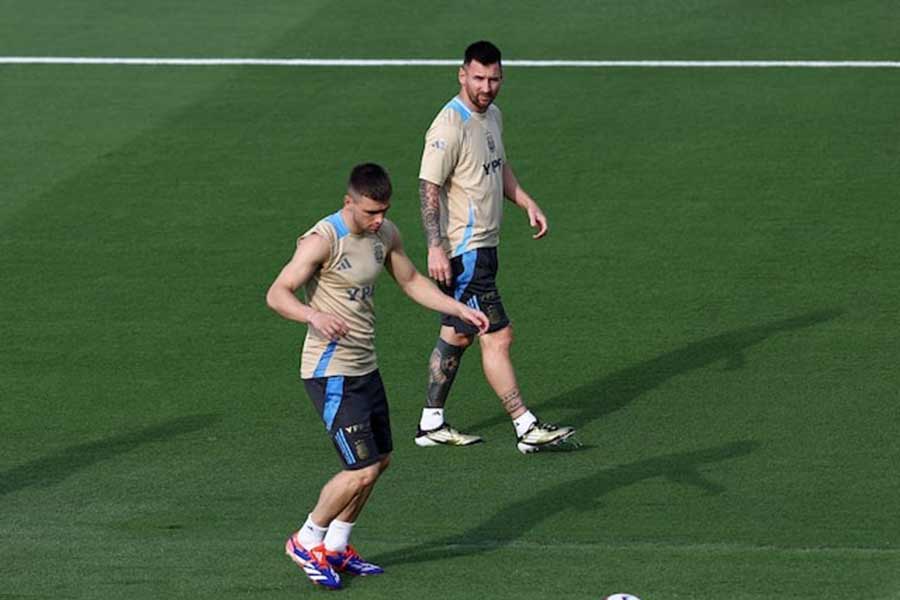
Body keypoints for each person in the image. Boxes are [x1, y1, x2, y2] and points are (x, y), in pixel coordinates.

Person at [266, 163, 488, 589]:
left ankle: (336, 546)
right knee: (360, 468)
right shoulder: (323, 240)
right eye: (370, 212)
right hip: (330, 370)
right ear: (349, 202)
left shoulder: (385, 235)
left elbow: (410, 280)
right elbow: (277, 293)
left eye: (384, 210)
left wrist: (457, 308)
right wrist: (313, 314)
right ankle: (305, 538)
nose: (379, 219)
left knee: (380, 461)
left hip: (365, 365)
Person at [415, 40, 576, 454]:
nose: (486, 87)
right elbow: (429, 187)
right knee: (497, 335)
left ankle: (430, 422)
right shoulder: (448, 126)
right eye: (478, 78)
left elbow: (497, 165)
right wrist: (435, 246)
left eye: (494, 79)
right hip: (464, 251)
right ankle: (525, 426)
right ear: (462, 75)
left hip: (485, 246)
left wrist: (526, 201)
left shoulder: (492, 117)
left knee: (457, 334)